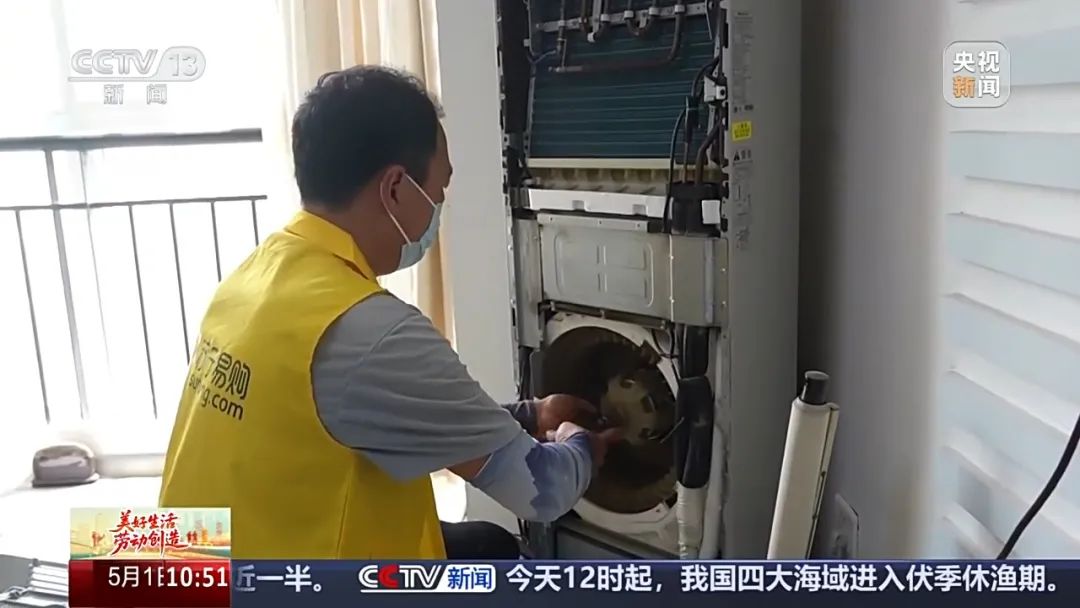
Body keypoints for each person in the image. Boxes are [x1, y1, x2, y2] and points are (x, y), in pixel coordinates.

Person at [158, 65, 621, 559]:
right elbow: (544, 489)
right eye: (439, 192)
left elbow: (372, 408)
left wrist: (530, 415)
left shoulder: (257, 273)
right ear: (396, 188)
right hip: (290, 580)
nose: (438, 208)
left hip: (185, 566)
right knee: (501, 560)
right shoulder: (371, 333)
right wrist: (580, 444)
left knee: (487, 544)